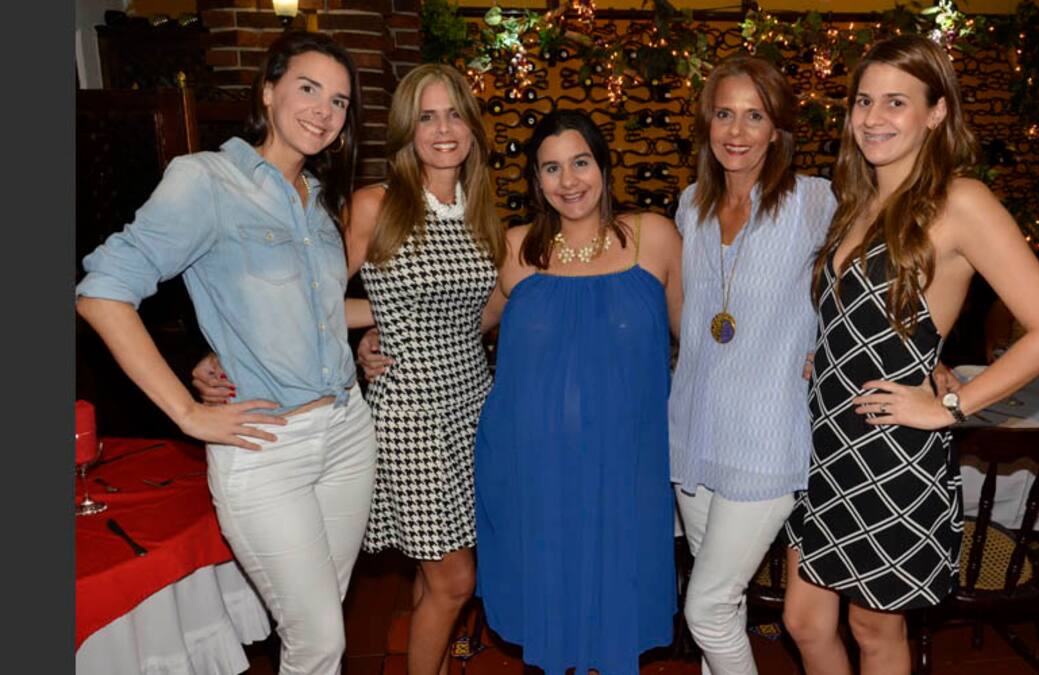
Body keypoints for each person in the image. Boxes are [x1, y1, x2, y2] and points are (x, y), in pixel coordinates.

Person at [76, 32, 378, 674]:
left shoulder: (318, 198)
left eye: (339, 101)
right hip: (266, 447)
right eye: (308, 88)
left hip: (349, 431)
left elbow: (320, 312)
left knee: (320, 620)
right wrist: (187, 413)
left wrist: (397, 318)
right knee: (320, 640)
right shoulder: (206, 180)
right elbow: (102, 293)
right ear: (267, 92)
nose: (324, 111)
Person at [192, 63, 506, 675]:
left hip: (474, 406)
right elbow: (307, 297)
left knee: (436, 575)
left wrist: (380, 322)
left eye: (454, 114)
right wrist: (222, 350)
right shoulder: (376, 205)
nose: (443, 129)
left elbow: (477, 311)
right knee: (455, 580)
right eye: (426, 117)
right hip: (411, 416)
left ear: (473, 125)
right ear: (406, 131)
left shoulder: (481, 210)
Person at [782, 34, 1039, 675]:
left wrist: (951, 406)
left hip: (892, 449)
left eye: (897, 102)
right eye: (864, 101)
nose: (873, 117)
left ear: (937, 112)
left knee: (872, 627)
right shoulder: (858, 201)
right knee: (804, 621)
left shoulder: (960, 200)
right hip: (828, 440)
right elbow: (866, 317)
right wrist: (827, 355)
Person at [472, 109, 683, 674]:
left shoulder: (653, 237)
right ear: (536, 181)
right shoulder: (516, 249)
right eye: (551, 168)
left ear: (604, 166)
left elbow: (702, 341)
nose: (569, 181)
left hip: (626, 468)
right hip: (533, 468)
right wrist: (378, 337)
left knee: (618, 599)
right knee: (549, 598)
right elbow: (461, 327)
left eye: (580, 162)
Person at [668, 55, 837, 675]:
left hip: (767, 437)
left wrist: (840, 344)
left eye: (754, 116)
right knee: (723, 603)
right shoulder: (691, 205)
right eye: (724, 114)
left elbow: (883, 268)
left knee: (706, 610)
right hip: (693, 430)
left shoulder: (814, 200)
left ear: (777, 130)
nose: (736, 132)